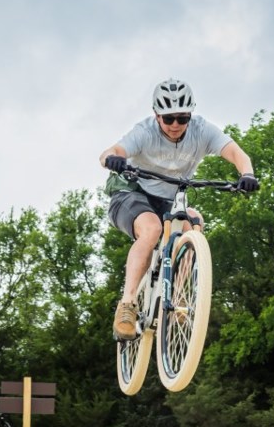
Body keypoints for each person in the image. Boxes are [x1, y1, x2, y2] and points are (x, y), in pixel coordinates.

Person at [99, 78, 259, 340]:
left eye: (182, 118)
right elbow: (111, 150)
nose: (175, 125)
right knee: (151, 229)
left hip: (168, 199)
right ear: (157, 115)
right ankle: (126, 305)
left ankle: (178, 295)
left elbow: (237, 153)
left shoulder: (202, 130)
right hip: (131, 192)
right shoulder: (145, 132)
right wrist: (112, 159)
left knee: (194, 222)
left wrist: (247, 174)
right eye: (169, 118)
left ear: (190, 116)